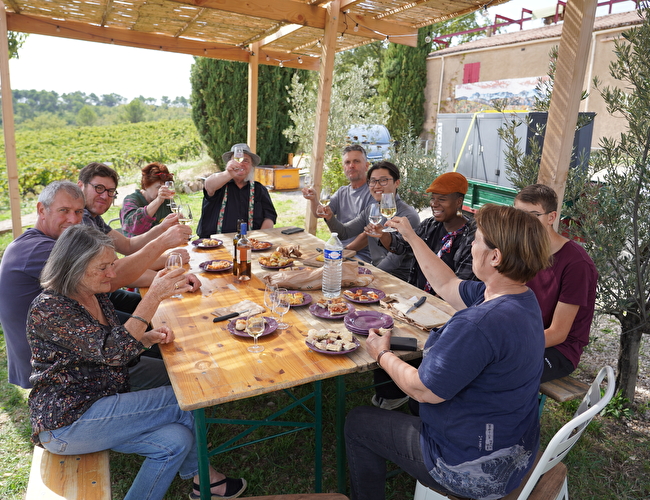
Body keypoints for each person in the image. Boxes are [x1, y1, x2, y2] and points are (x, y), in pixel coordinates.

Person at [345, 204, 551, 500]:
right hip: (513, 449)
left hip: (471, 469)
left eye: (476, 240)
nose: (472, 246)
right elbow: (446, 283)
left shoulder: (478, 324)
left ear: (495, 257)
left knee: (358, 422)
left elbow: (422, 390)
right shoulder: (521, 298)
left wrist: (382, 354)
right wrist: (412, 237)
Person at [27, 225, 246, 500]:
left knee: (176, 441)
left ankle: (202, 482)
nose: (112, 273)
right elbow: (114, 352)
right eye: (103, 267)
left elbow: (105, 349)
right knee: (185, 397)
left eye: (112, 264)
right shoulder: (50, 308)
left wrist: (145, 339)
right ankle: (207, 481)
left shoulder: (92, 294)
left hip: (99, 404)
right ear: (75, 267)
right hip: (68, 421)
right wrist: (153, 296)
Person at [0, 181, 197, 390]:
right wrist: (161, 254)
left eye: (78, 212)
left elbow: (116, 264)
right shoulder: (42, 250)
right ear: (41, 210)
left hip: (86, 340)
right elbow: (112, 278)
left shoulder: (66, 237)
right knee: (175, 370)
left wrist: (166, 276)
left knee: (157, 338)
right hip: (59, 367)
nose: (73, 219)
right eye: (64, 211)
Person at [370, 171, 477, 410]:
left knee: (400, 338)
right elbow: (401, 247)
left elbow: (462, 284)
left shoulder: (472, 235)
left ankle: (407, 391)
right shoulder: (430, 225)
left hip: (447, 313)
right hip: (418, 303)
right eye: (433, 198)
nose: (434, 204)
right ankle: (392, 392)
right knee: (385, 327)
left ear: (459, 201)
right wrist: (383, 235)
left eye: (442, 199)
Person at [514, 184, 598, 383]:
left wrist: (510, 345)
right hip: (521, 336)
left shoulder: (576, 263)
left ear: (551, 217)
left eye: (532, 215)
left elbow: (558, 333)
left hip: (558, 350)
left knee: (502, 371)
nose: (522, 222)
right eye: (518, 215)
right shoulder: (522, 250)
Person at [322, 161, 419, 280]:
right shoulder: (372, 211)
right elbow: (344, 232)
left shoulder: (408, 216)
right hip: (376, 273)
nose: (377, 186)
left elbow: (394, 260)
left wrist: (369, 275)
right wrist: (330, 217)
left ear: (397, 183)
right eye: (373, 181)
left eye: (383, 180)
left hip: (399, 280)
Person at [302, 144, 374, 262]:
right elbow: (320, 213)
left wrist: (343, 251)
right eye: (347, 162)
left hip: (362, 255)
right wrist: (313, 199)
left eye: (356, 161)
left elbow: (369, 234)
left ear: (366, 166)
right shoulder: (342, 192)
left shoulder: (373, 192)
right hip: (340, 250)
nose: (351, 165)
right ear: (343, 167)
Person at [196, 143, 277, 237]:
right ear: (229, 163)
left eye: (246, 160)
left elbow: (269, 217)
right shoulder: (219, 182)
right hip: (215, 243)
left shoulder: (258, 189)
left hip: (250, 242)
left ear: (251, 166)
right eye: (236, 160)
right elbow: (209, 185)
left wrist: (260, 238)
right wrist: (229, 173)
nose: (240, 163)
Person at [120, 162, 175, 237]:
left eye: (166, 187)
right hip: (139, 244)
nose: (163, 191)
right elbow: (132, 227)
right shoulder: (131, 200)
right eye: (159, 187)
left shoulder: (166, 201)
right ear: (145, 185)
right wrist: (158, 201)